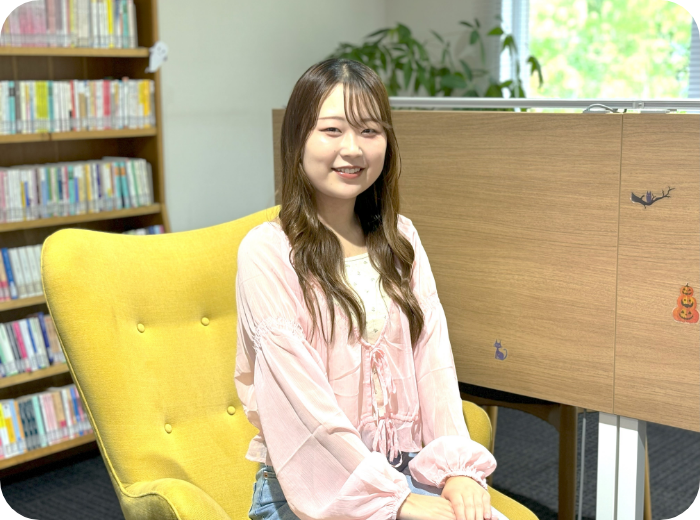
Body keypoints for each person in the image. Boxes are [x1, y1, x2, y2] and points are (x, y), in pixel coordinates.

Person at [234, 58, 509, 520]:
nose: (353, 149)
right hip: (313, 492)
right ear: (297, 139)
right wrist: (395, 501)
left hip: (407, 473)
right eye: (332, 130)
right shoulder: (267, 251)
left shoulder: (401, 239)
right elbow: (302, 406)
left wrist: (457, 470)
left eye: (369, 130)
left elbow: (433, 362)